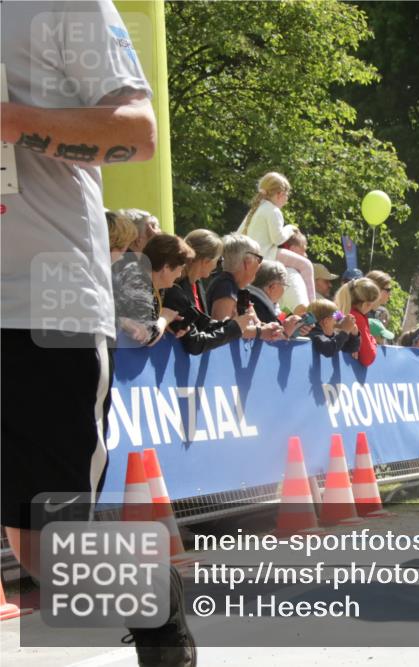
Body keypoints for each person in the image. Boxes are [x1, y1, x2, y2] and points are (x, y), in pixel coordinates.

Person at [0, 1, 196, 663]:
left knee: (47, 549)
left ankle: (157, 603)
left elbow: (137, 133)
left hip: (41, 306)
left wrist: (11, 120)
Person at [162, 229, 250, 355]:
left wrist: (231, 323)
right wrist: (234, 328)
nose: (218, 266)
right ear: (206, 261)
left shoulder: (196, 284)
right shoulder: (176, 288)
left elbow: (202, 324)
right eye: (219, 261)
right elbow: (195, 343)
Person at [237, 171, 315, 302]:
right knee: (306, 265)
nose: (287, 199)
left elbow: (238, 234)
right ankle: (314, 305)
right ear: (279, 194)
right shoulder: (273, 211)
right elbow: (278, 238)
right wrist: (290, 228)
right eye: (287, 195)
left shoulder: (256, 209)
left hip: (252, 257)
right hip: (267, 255)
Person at [206, 233, 284, 341]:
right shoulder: (225, 286)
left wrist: (279, 329)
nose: (260, 265)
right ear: (247, 262)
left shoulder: (237, 287)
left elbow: (255, 325)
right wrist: (259, 332)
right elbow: (220, 330)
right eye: (259, 259)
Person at [250, 260, 305, 338]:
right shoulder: (257, 306)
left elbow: (279, 316)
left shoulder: (270, 305)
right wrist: (286, 332)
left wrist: (297, 325)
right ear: (273, 287)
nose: (284, 290)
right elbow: (270, 340)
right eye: (284, 285)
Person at [333, 277, 381, 367]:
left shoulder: (339, 311)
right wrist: (373, 340)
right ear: (365, 304)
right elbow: (368, 358)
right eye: (372, 304)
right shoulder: (356, 318)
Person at [276, 227, 311, 313]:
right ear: (292, 249)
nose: (306, 255)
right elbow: (302, 309)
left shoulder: (272, 271)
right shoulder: (292, 274)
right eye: (304, 250)